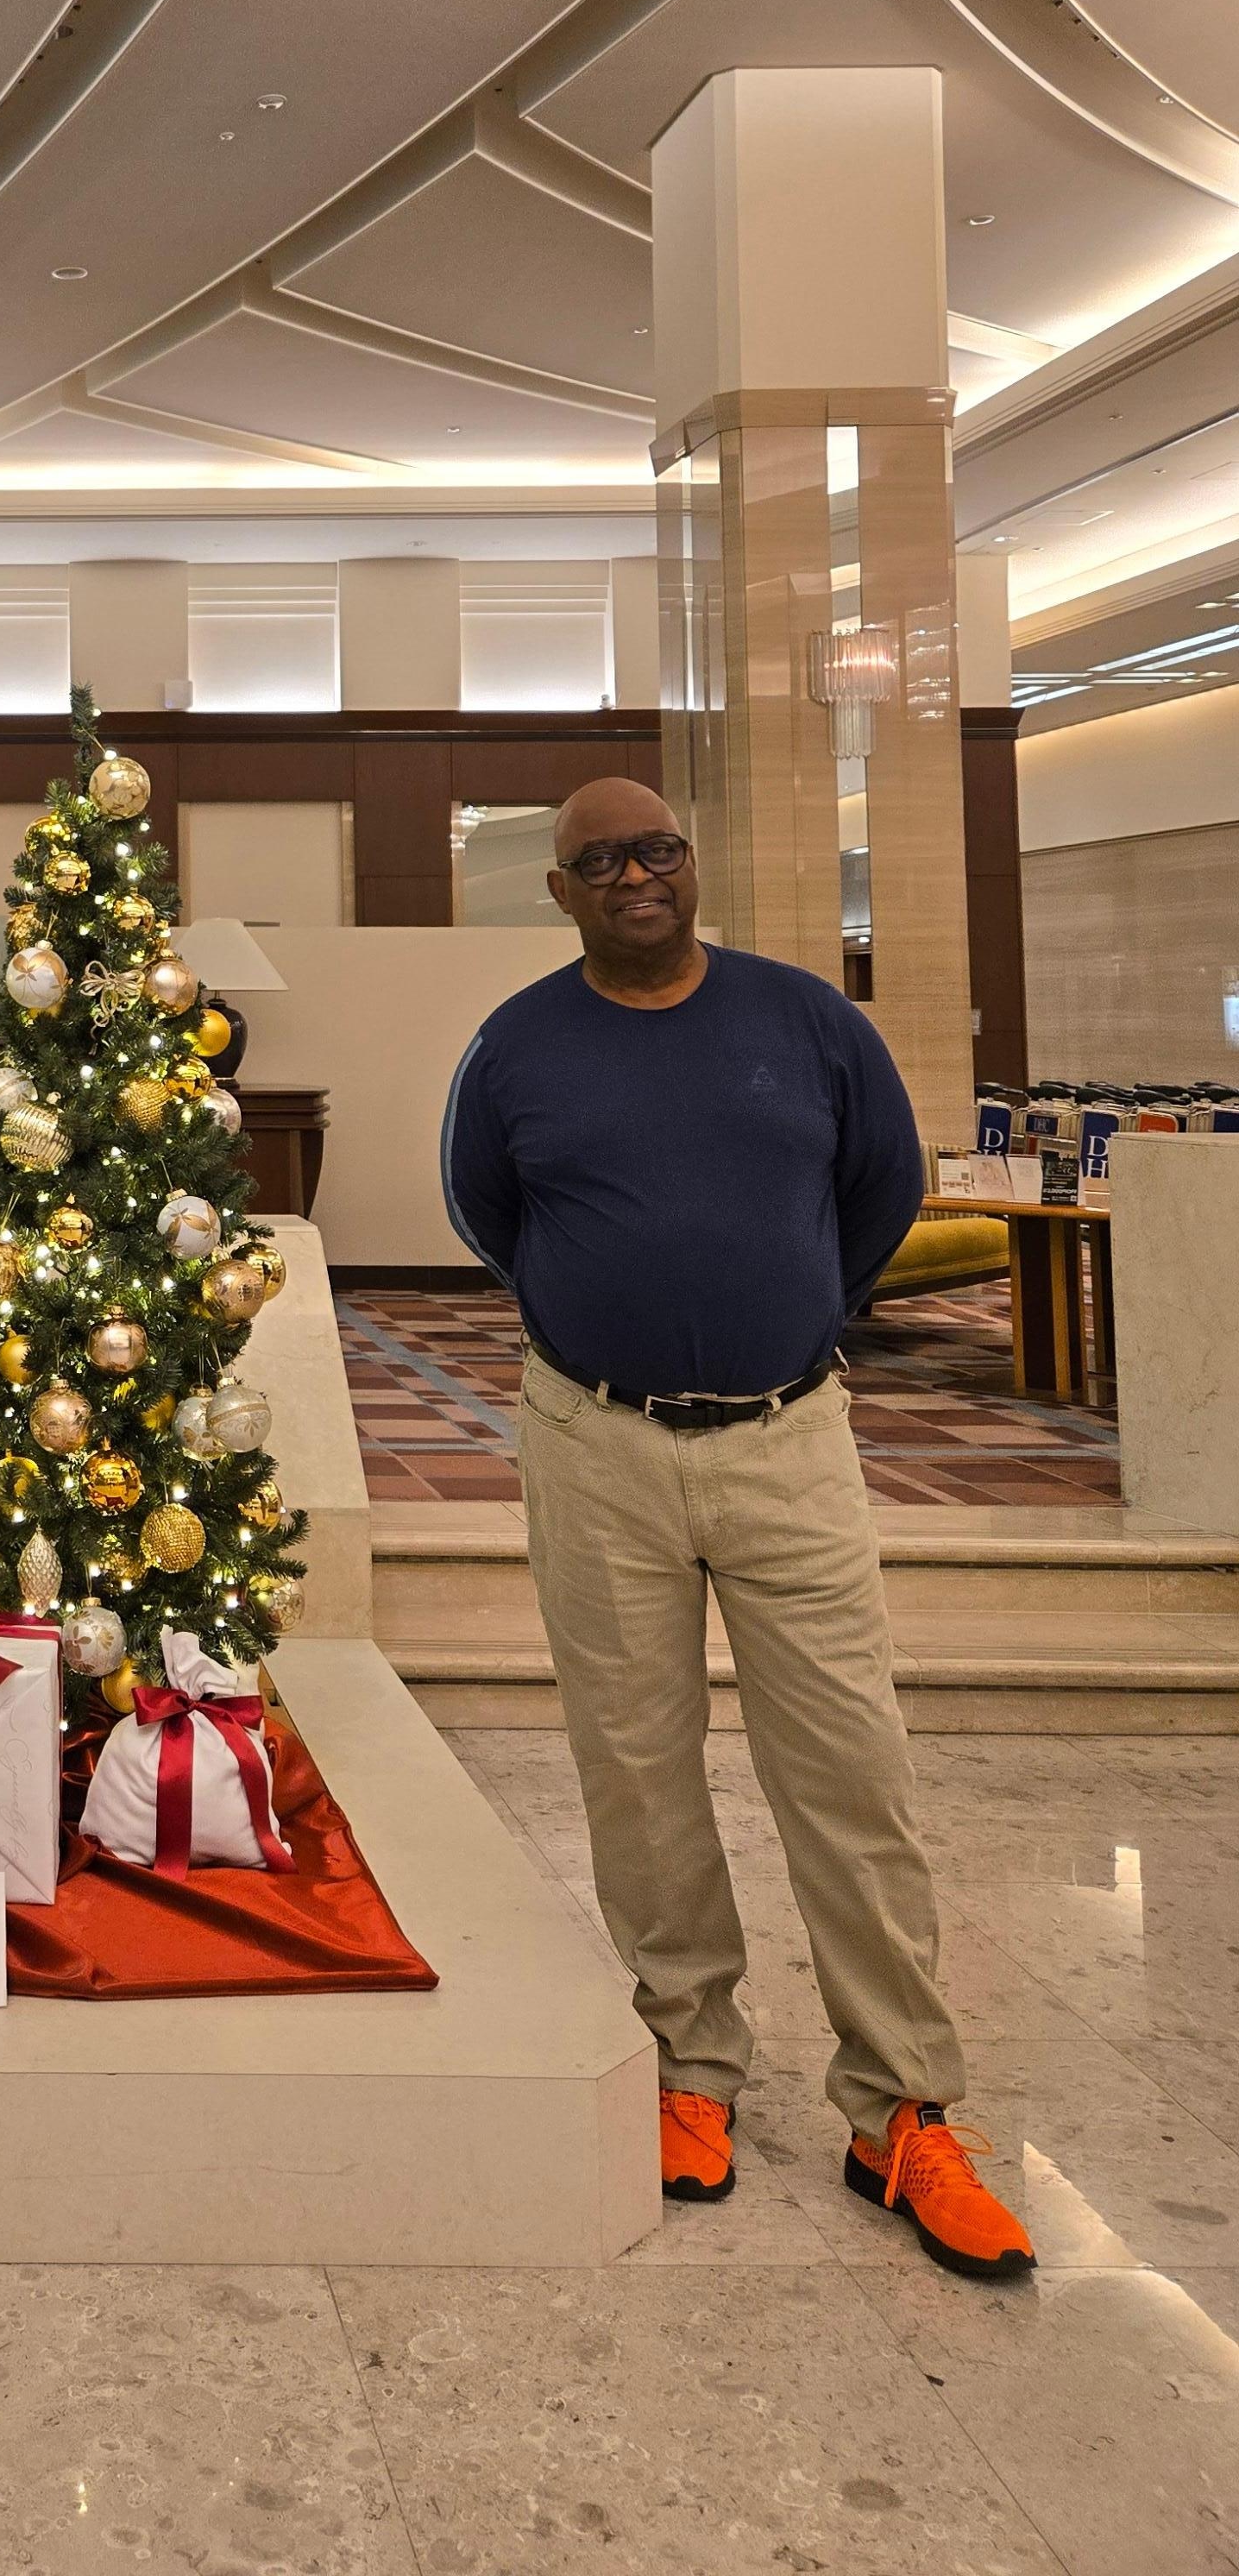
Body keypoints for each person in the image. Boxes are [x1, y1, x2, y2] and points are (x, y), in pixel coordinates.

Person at [440, 777, 1034, 2282]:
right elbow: (489, 1214)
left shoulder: (807, 1022)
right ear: (561, 893)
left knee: (851, 1770)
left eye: (656, 849)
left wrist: (781, 1308)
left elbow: (879, 1197)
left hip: (789, 1442)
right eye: (598, 861)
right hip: (597, 1446)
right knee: (637, 1772)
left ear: (691, 864)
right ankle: (689, 2065)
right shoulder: (516, 1046)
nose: (633, 874)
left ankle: (900, 2108)